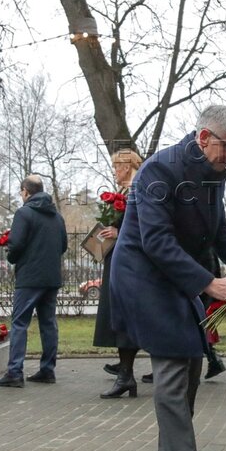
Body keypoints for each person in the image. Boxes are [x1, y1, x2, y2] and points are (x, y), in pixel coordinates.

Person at [110, 105, 226, 451]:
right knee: (175, 363)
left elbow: (218, 231)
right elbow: (155, 241)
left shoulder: (213, 172)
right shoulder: (160, 170)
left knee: (192, 360)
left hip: (175, 276)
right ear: (204, 137)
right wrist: (209, 283)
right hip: (143, 275)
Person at [0, 175, 68, 387]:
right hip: (51, 277)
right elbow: (63, 245)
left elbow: (16, 244)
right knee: (48, 323)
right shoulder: (57, 217)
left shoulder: (24, 213)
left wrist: (11, 256)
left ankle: (15, 372)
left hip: (29, 277)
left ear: (26, 191)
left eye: (21, 192)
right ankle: (47, 370)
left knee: (19, 324)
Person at [93, 149, 144, 399]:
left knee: (125, 316)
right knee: (119, 317)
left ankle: (126, 376)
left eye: (116, 167)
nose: (114, 172)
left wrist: (118, 231)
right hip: (119, 260)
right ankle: (125, 373)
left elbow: (144, 225)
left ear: (125, 166)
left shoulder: (138, 190)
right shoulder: (124, 193)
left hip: (130, 264)